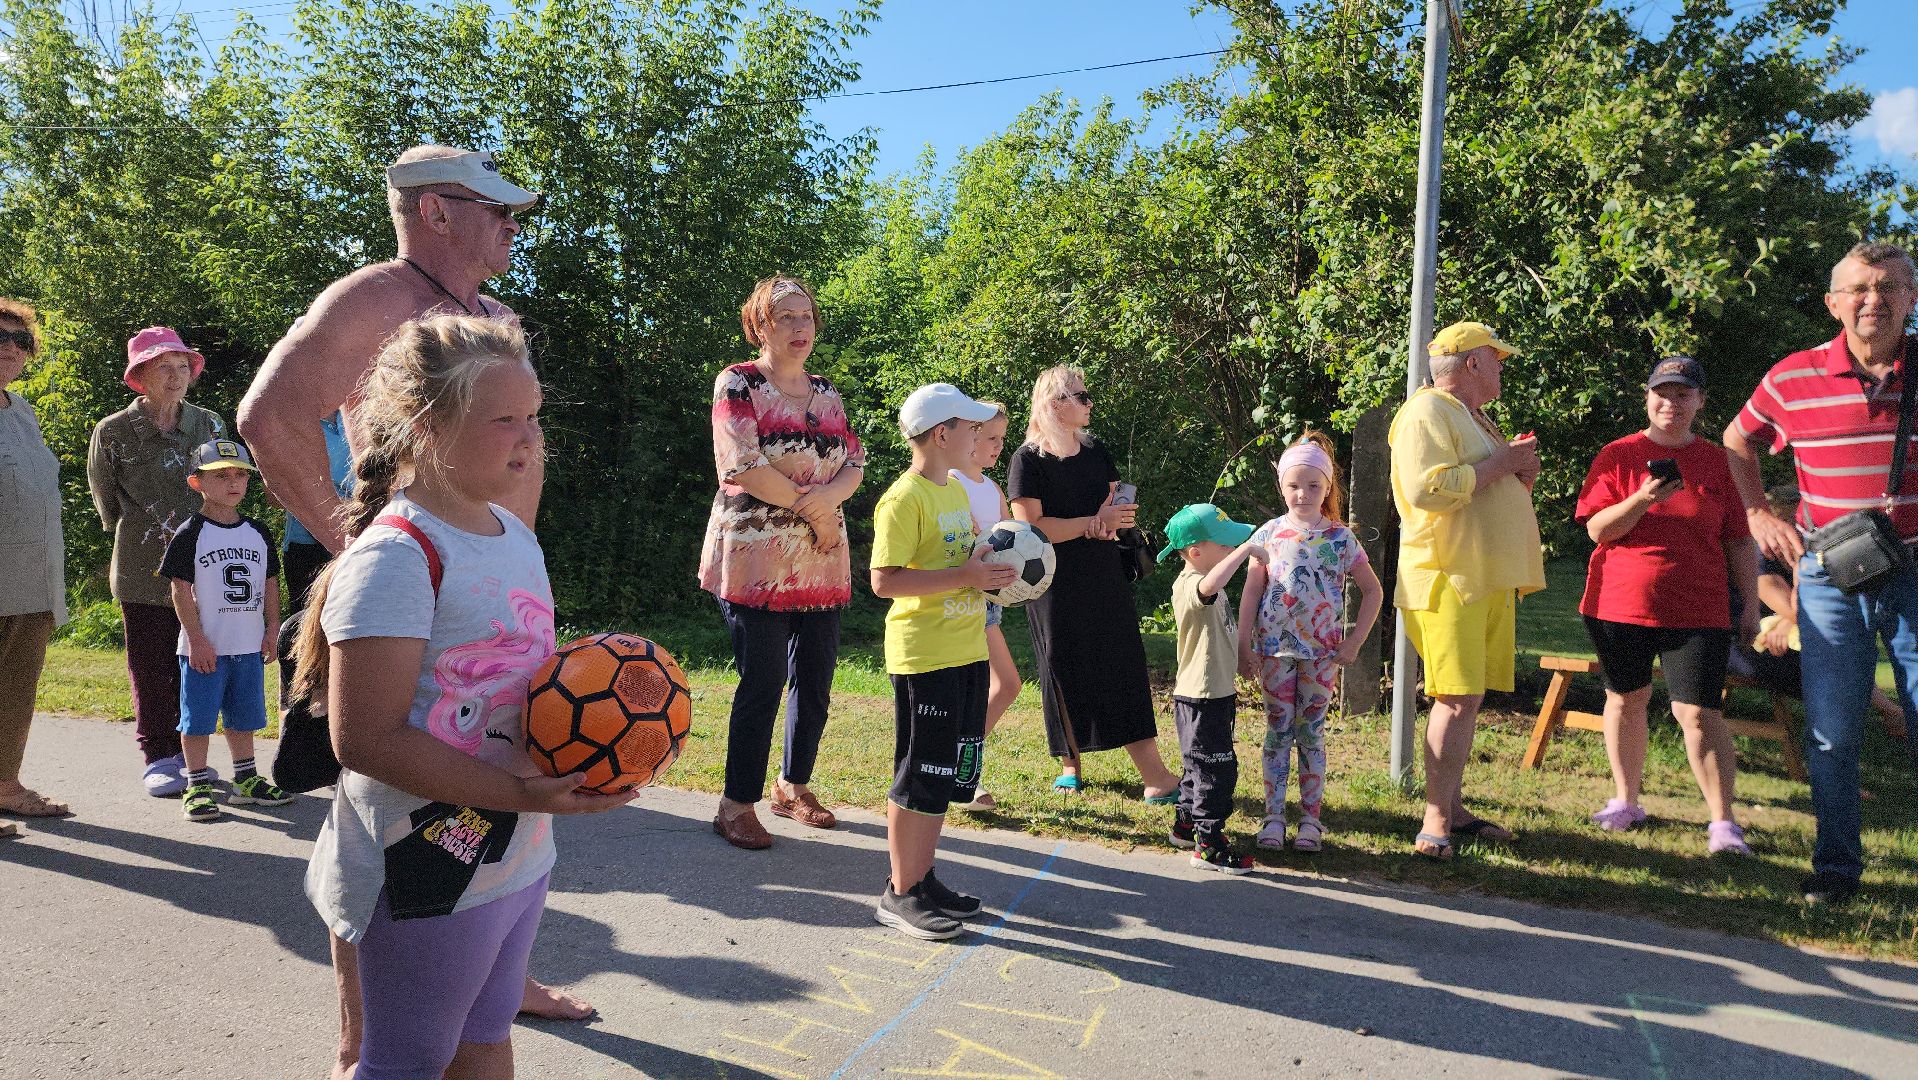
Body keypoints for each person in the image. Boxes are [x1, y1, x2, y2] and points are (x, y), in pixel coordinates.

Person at [234, 144, 589, 1062]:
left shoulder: (493, 317)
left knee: (480, 796)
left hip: (492, 586)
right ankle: (369, 1038)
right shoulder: (378, 296)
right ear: (434, 210)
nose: (515, 224)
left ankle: (485, 983)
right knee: (381, 810)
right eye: (497, 208)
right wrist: (357, 541)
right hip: (405, 586)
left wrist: (506, 555)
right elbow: (268, 415)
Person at [292, 315, 637, 1076]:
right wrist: (519, 791)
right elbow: (368, 740)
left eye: (535, 416)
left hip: (518, 853)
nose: (529, 436)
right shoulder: (396, 557)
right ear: (427, 428)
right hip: (425, 866)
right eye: (504, 419)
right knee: (405, 1060)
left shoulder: (514, 536)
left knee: (485, 1039)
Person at [1725, 240, 1918, 907]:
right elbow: (1737, 439)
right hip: (1830, 578)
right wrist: (1755, 515)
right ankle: (1835, 871)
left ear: (1912, 300)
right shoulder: (1791, 377)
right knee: (1832, 732)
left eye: (1892, 286)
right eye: (1861, 288)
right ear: (1834, 303)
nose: (1876, 299)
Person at [699, 275, 865, 850]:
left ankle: (792, 786)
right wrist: (814, 511)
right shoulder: (738, 384)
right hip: (755, 561)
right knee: (764, 680)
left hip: (820, 565)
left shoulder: (828, 394)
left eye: (807, 317)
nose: (800, 327)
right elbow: (741, 464)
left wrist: (828, 505)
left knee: (815, 681)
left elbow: (855, 464)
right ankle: (734, 804)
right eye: (785, 317)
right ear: (760, 325)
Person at [1573, 356, 1759, 854]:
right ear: (1647, 397)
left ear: (1699, 402)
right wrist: (1644, 499)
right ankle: (1626, 800)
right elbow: (1597, 530)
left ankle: (1723, 823)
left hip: (1700, 607)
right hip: (1620, 602)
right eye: (1662, 392)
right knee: (1625, 699)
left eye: (1682, 394)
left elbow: (1740, 542)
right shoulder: (1618, 455)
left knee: (1698, 712)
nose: (1670, 403)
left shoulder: (1721, 462)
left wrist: (1751, 605)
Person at [1389, 321, 1545, 859]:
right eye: (1496, 358)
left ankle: (1452, 809)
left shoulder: (1473, 418)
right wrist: (1505, 462)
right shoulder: (1426, 411)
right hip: (1448, 576)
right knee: (1453, 698)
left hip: (1482, 577)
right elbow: (1427, 489)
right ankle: (1435, 821)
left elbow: (1483, 483)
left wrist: (1517, 473)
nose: (1503, 366)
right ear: (1472, 363)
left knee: (1468, 698)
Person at [869, 383, 1016, 938]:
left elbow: (964, 556)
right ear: (941, 434)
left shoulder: (953, 488)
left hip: (966, 649)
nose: (978, 435)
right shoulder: (905, 498)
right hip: (924, 657)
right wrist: (965, 576)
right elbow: (885, 581)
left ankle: (922, 878)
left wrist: (990, 562)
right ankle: (899, 892)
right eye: (970, 427)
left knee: (946, 771)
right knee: (920, 773)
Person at [1008, 365, 1181, 799]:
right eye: (1081, 397)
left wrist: (1118, 520)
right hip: (1051, 582)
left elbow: (1112, 505)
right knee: (1061, 667)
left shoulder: (1096, 450)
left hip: (1104, 573)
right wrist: (1092, 522)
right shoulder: (1026, 460)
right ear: (1054, 404)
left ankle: (1155, 776)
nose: (1089, 404)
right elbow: (1030, 528)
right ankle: (1071, 763)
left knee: (1122, 663)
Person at [87, 326, 225, 798]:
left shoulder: (209, 425)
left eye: (182, 367)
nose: (176, 376)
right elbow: (107, 503)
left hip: (206, 569)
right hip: (141, 568)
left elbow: (228, 489)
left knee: (199, 663)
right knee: (150, 665)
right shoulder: (113, 431)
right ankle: (159, 757)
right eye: (164, 367)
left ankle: (195, 758)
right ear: (140, 376)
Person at [1237, 433, 1384, 853]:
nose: (1303, 494)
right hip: (1274, 652)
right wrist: (1245, 646)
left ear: (1328, 488)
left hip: (1322, 656)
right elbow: (1251, 592)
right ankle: (1273, 818)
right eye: (1294, 485)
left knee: (1312, 733)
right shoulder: (1267, 534)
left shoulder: (1340, 539)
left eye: (1314, 486)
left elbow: (1372, 591)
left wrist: (1355, 641)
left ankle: (1311, 822)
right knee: (1277, 732)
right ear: (1282, 486)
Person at [159, 439, 293, 822]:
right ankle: (197, 783)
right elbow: (179, 589)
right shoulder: (191, 533)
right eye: (221, 476)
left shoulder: (258, 532)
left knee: (244, 715)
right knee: (197, 718)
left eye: (240, 475)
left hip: (247, 646)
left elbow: (269, 583)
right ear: (197, 482)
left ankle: (246, 780)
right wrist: (197, 639)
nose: (233, 483)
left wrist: (272, 628)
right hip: (205, 648)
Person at [1730, 485, 1905, 737]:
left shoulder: (1805, 555)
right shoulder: (1760, 555)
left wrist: (1788, 623)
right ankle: (1887, 714)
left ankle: (1883, 715)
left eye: (1800, 524)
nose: (1798, 532)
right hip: (1747, 643)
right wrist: (1792, 620)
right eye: (1790, 522)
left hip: (1785, 638)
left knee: (1839, 652)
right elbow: (1805, 611)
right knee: (1830, 658)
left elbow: (1816, 608)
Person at [1156, 503, 1257, 873]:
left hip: (1214, 691)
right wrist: (1246, 552)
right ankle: (1209, 844)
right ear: (1196, 552)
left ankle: (1186, 824)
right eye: (1225, 545)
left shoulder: (1205, 580)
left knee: (1197, 764)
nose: (1232, 549)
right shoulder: (1191, 585)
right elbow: (1210, 585)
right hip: (1202, 696)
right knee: (1217, 769)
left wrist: (1242, 659)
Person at [0, 299, 69, 835]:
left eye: (20, 341)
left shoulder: (21, 409)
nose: (10, 349)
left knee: (16, 691)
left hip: (31, 580)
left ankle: (5, 785)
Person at [949, 401, 1020, 811]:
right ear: (968, 436)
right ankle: (962, 776)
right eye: (991, 437)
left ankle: (961, 761)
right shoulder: (953, 481)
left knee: (1007, 685)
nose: (998, 446)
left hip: (988, 605)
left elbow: (1013, 537)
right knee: (972, 691)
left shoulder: (991, 488)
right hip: (959, 602)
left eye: (1001, 439)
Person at [277, 410, 352, 611]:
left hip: (361, 535)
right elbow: (275, 493)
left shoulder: (362, 411)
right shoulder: (290, 420)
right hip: (308, 545)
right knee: (307, 630)